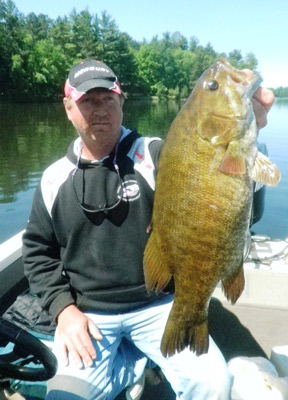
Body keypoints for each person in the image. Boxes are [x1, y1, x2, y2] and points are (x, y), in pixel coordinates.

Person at [22, 58, 274, 400]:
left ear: (121, 102)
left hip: (159, 304)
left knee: (214, 383)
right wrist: (63, 311)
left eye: (107, 98)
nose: (99, 110)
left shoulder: (157, 155)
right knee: (65, 398)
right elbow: (38, 253)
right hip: (89, 316)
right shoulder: (53, 180)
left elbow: (227, 186)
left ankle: (131, 369)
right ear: (68, 108)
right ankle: (131, 368)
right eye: (87, 101)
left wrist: (250, 134)